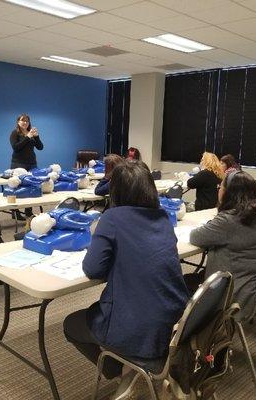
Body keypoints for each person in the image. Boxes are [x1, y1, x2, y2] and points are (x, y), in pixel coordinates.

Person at [63, 161, 189, 399]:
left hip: (140, 328)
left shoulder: (112, 218)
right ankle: (133, 370)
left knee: (72, 323)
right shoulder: (162, 217)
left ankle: (129, 371)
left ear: (116, 191)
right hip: (175, 324)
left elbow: (93, 269)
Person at [188, 171, 256, 316]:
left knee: (180, 284)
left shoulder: (229, 220)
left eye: (221, 187)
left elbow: (195, 237)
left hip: (234, 294)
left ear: (229, 193)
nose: (218, 189)